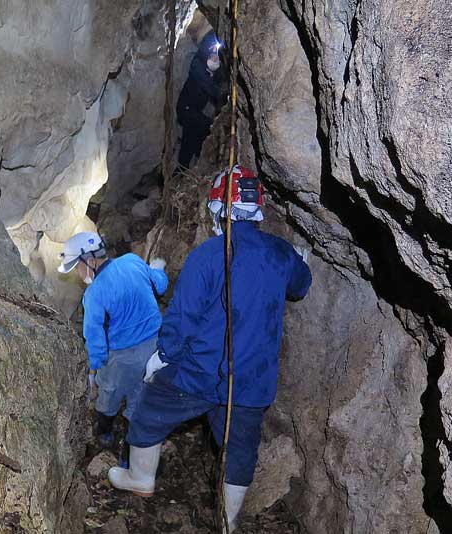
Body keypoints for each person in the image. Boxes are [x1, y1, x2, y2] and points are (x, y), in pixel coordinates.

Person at [107, 166, 312, 532]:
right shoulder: (279, 254)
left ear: (218, 208)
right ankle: (228, 520)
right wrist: (298, 261)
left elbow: (184, 315)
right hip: (250, 382)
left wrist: (164, 355)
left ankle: (140, 478)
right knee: (239, 448)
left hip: (198, 372)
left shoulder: (209, 254)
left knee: (151, 409)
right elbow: (301, 286)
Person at [58, 232, 169, 453]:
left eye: (77, 268)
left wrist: (93, 371)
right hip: (155, 346)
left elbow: (95, 339)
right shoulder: (132, 261)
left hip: (123, 358)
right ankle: (131, 450)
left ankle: (106, 435)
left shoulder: (94, 294)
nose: (79, 275)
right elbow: (161, 286)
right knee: (140, 396)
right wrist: (158, 270)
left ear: (89, 260)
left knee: (109, 395)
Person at [176, 31, 229, 170]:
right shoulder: (197, 64)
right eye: (211, 49)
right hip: (185, 109)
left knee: (189, 143)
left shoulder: (216, 72)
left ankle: (181, 174)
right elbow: (210, 88)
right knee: (207, 126)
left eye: (216, 50)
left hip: (193, 112)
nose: (214, 52)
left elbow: (220, 87)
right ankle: (200, 164)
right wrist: (220, 93)